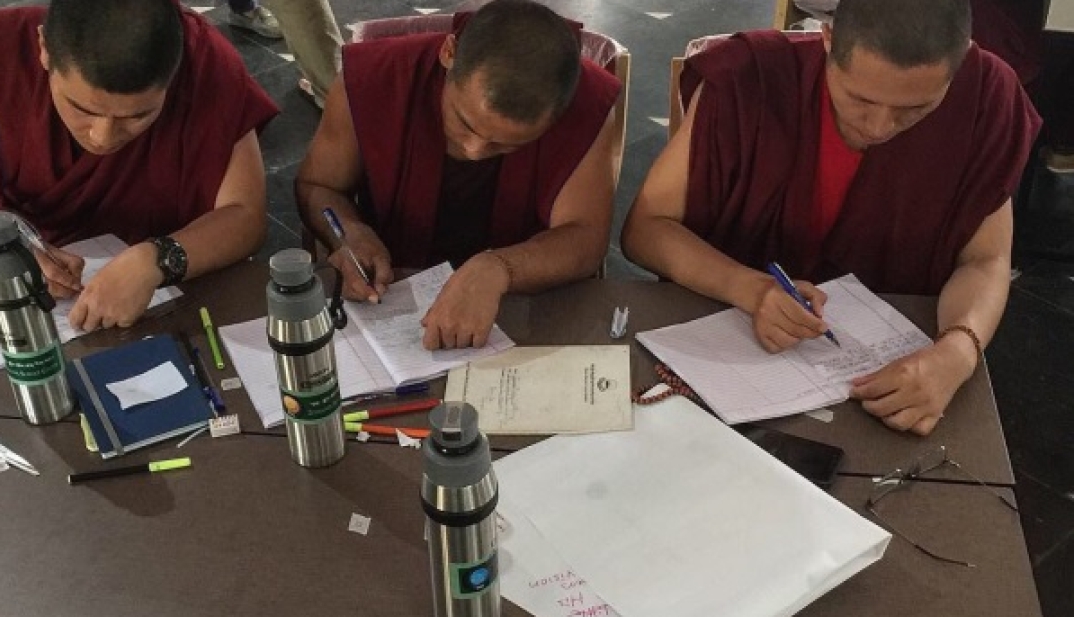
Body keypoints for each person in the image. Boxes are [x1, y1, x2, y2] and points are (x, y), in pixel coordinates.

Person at [621, 0, 1040, 435]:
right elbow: (646, 230)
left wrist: (957, 352)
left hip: (890, 375)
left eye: (913, 109)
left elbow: (986, 259)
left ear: (961, 65)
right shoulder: (752, 80)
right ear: (826, 38)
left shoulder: (986, 97)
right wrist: (749, 287)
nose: (879, 127)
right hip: (733, 366)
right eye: (859, 98)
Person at [0, 0, 278, 331]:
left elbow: (244, 216)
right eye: (82, 109)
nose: (103, 136)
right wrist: (10, 253)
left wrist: (159, 259)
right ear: (44, 49)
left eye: (138, 116)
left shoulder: (207, 63)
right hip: (40, 288)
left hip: (173, 288)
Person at [295, 0, 621, 351]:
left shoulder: (586, 103)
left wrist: (500, 268)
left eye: (506, 145)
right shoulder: (376, 77)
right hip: (393, 294)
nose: (474, 149)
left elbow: (585, 237)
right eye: (464, 122)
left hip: (523, 301)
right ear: (449, 52)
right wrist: (349, 233)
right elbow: (319, 185)